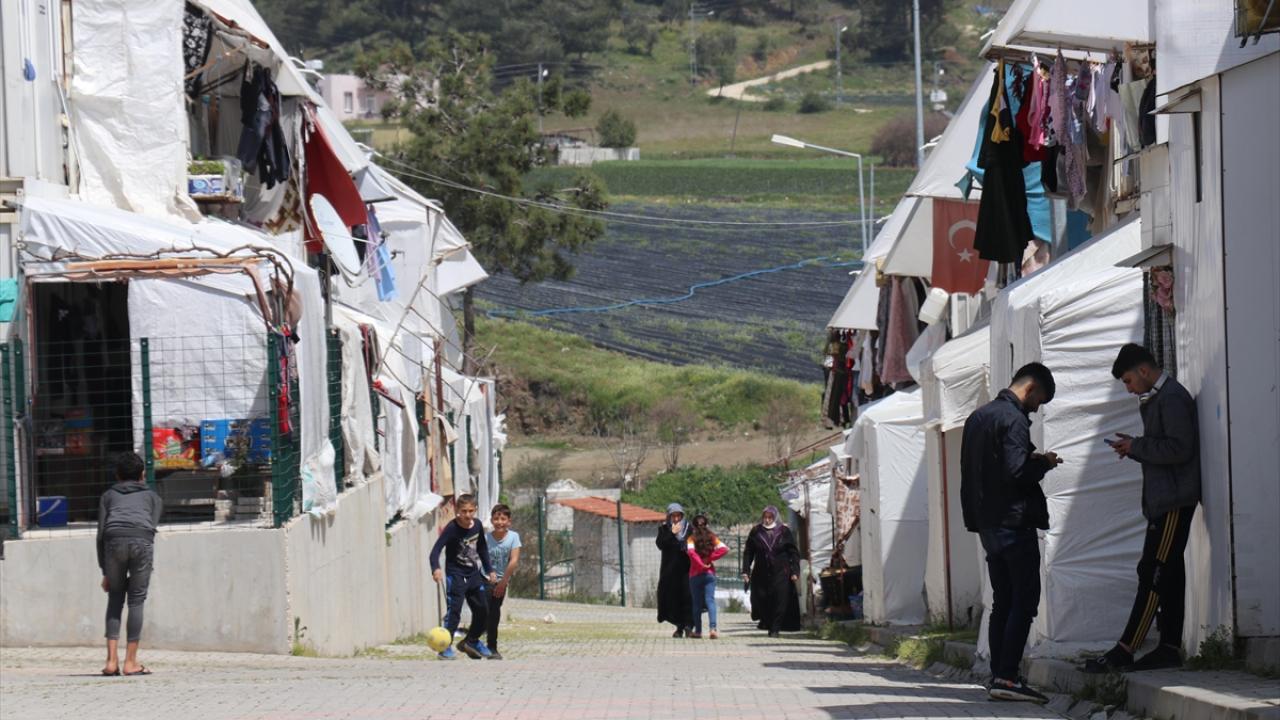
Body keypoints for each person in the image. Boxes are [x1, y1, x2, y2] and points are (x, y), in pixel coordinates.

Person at [1083, 344, 1200, 674]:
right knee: (1168, 573)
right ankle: (1168, 648)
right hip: (1165, 499)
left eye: (1128, 380)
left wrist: (1138, 445)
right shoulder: (1161, 397)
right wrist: (1135, 447)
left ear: (1144, 371)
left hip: (1173, 500)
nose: (1129, 388)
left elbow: (1180, 448)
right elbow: (1165, 445)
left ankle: (1125, 649)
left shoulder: (1171, 397)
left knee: (1153, 572)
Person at [960, 362, 1063, 703]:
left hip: (987, 523)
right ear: (1031, 388)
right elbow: (1017, 471)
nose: (1036, 408)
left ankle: (999, 675)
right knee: (1024, 599)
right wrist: (1044, 462)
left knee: (1002, 601)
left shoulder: (977, 418)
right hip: (1014, 522)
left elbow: (972, 472)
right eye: (1039, 401)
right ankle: (1007, 676)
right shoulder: (1013, 419)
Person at [97, 451, 163, 676]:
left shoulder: (108, 496)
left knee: (115, 597)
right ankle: (131, 663)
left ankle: (111, 662)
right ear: (143, 474)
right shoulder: (153, 497)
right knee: (136, 600)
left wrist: (105, 571)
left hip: (113, 543)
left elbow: (100, 535)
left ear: (117, 474)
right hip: (141, 542)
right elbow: (151, 527)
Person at [430, 494, 496, 660]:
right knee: (454, 612)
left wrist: (489, 570)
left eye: (470, 511)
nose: (467, 515)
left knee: (483, 610)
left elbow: (482, 548)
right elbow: (435, 551)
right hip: (456, 576)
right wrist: (435, 568)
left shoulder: (477, 525)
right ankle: (445, 647)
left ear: (475, 510)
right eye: (464, 511)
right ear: (457, 510)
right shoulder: (452, 528)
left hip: (473, 575)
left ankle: (472, 641)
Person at [742, 505, 801, 637]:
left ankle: (775, 628)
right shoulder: (756, 531)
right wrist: (746, 571)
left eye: (770, 517)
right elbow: (748, 552)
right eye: (765, 517)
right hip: (761, 573)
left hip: (781, 572)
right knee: (762, 598)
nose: (767, 520)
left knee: (780, 600)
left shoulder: (783, 531)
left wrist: (795, 571)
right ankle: (767, 622)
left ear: (775, 517)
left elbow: (793, 552)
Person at [484, 503, 522, 661]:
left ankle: (492, 647)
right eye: (496, 519)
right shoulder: (486, 538)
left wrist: (503, 582)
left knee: (494, 613)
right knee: (484, 609)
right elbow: (481, 557)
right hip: (485, 578)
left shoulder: (514, 537)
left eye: (503, 519)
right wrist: (489, 573)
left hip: (502, 580)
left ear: (509, 522)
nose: (499, 522)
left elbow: (513, 560)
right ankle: (475, 642)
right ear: (491, 521)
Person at [686, 514, 728, 639]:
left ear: (694, 526)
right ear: (707, 525)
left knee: (696, 603)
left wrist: (700, 564)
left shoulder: (691, 539)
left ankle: (698, 631)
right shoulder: (712, 537)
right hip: (710, 573)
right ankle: (713, 629)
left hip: (695, 574)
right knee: (710, 601)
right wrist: (710, 559)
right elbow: (724, 549)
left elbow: (691, 553)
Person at [655, 503, 693, 637]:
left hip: (687, 570)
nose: (676, 519)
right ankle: (679, 627)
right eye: (673, 516)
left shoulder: (689, 529)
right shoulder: (664, 529)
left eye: (678, 516)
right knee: (673, 598)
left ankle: (689, 626)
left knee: (688, 597)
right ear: (669, 517)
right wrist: (672, 533)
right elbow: (660, 544)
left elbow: (697, 544)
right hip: (670, 571)